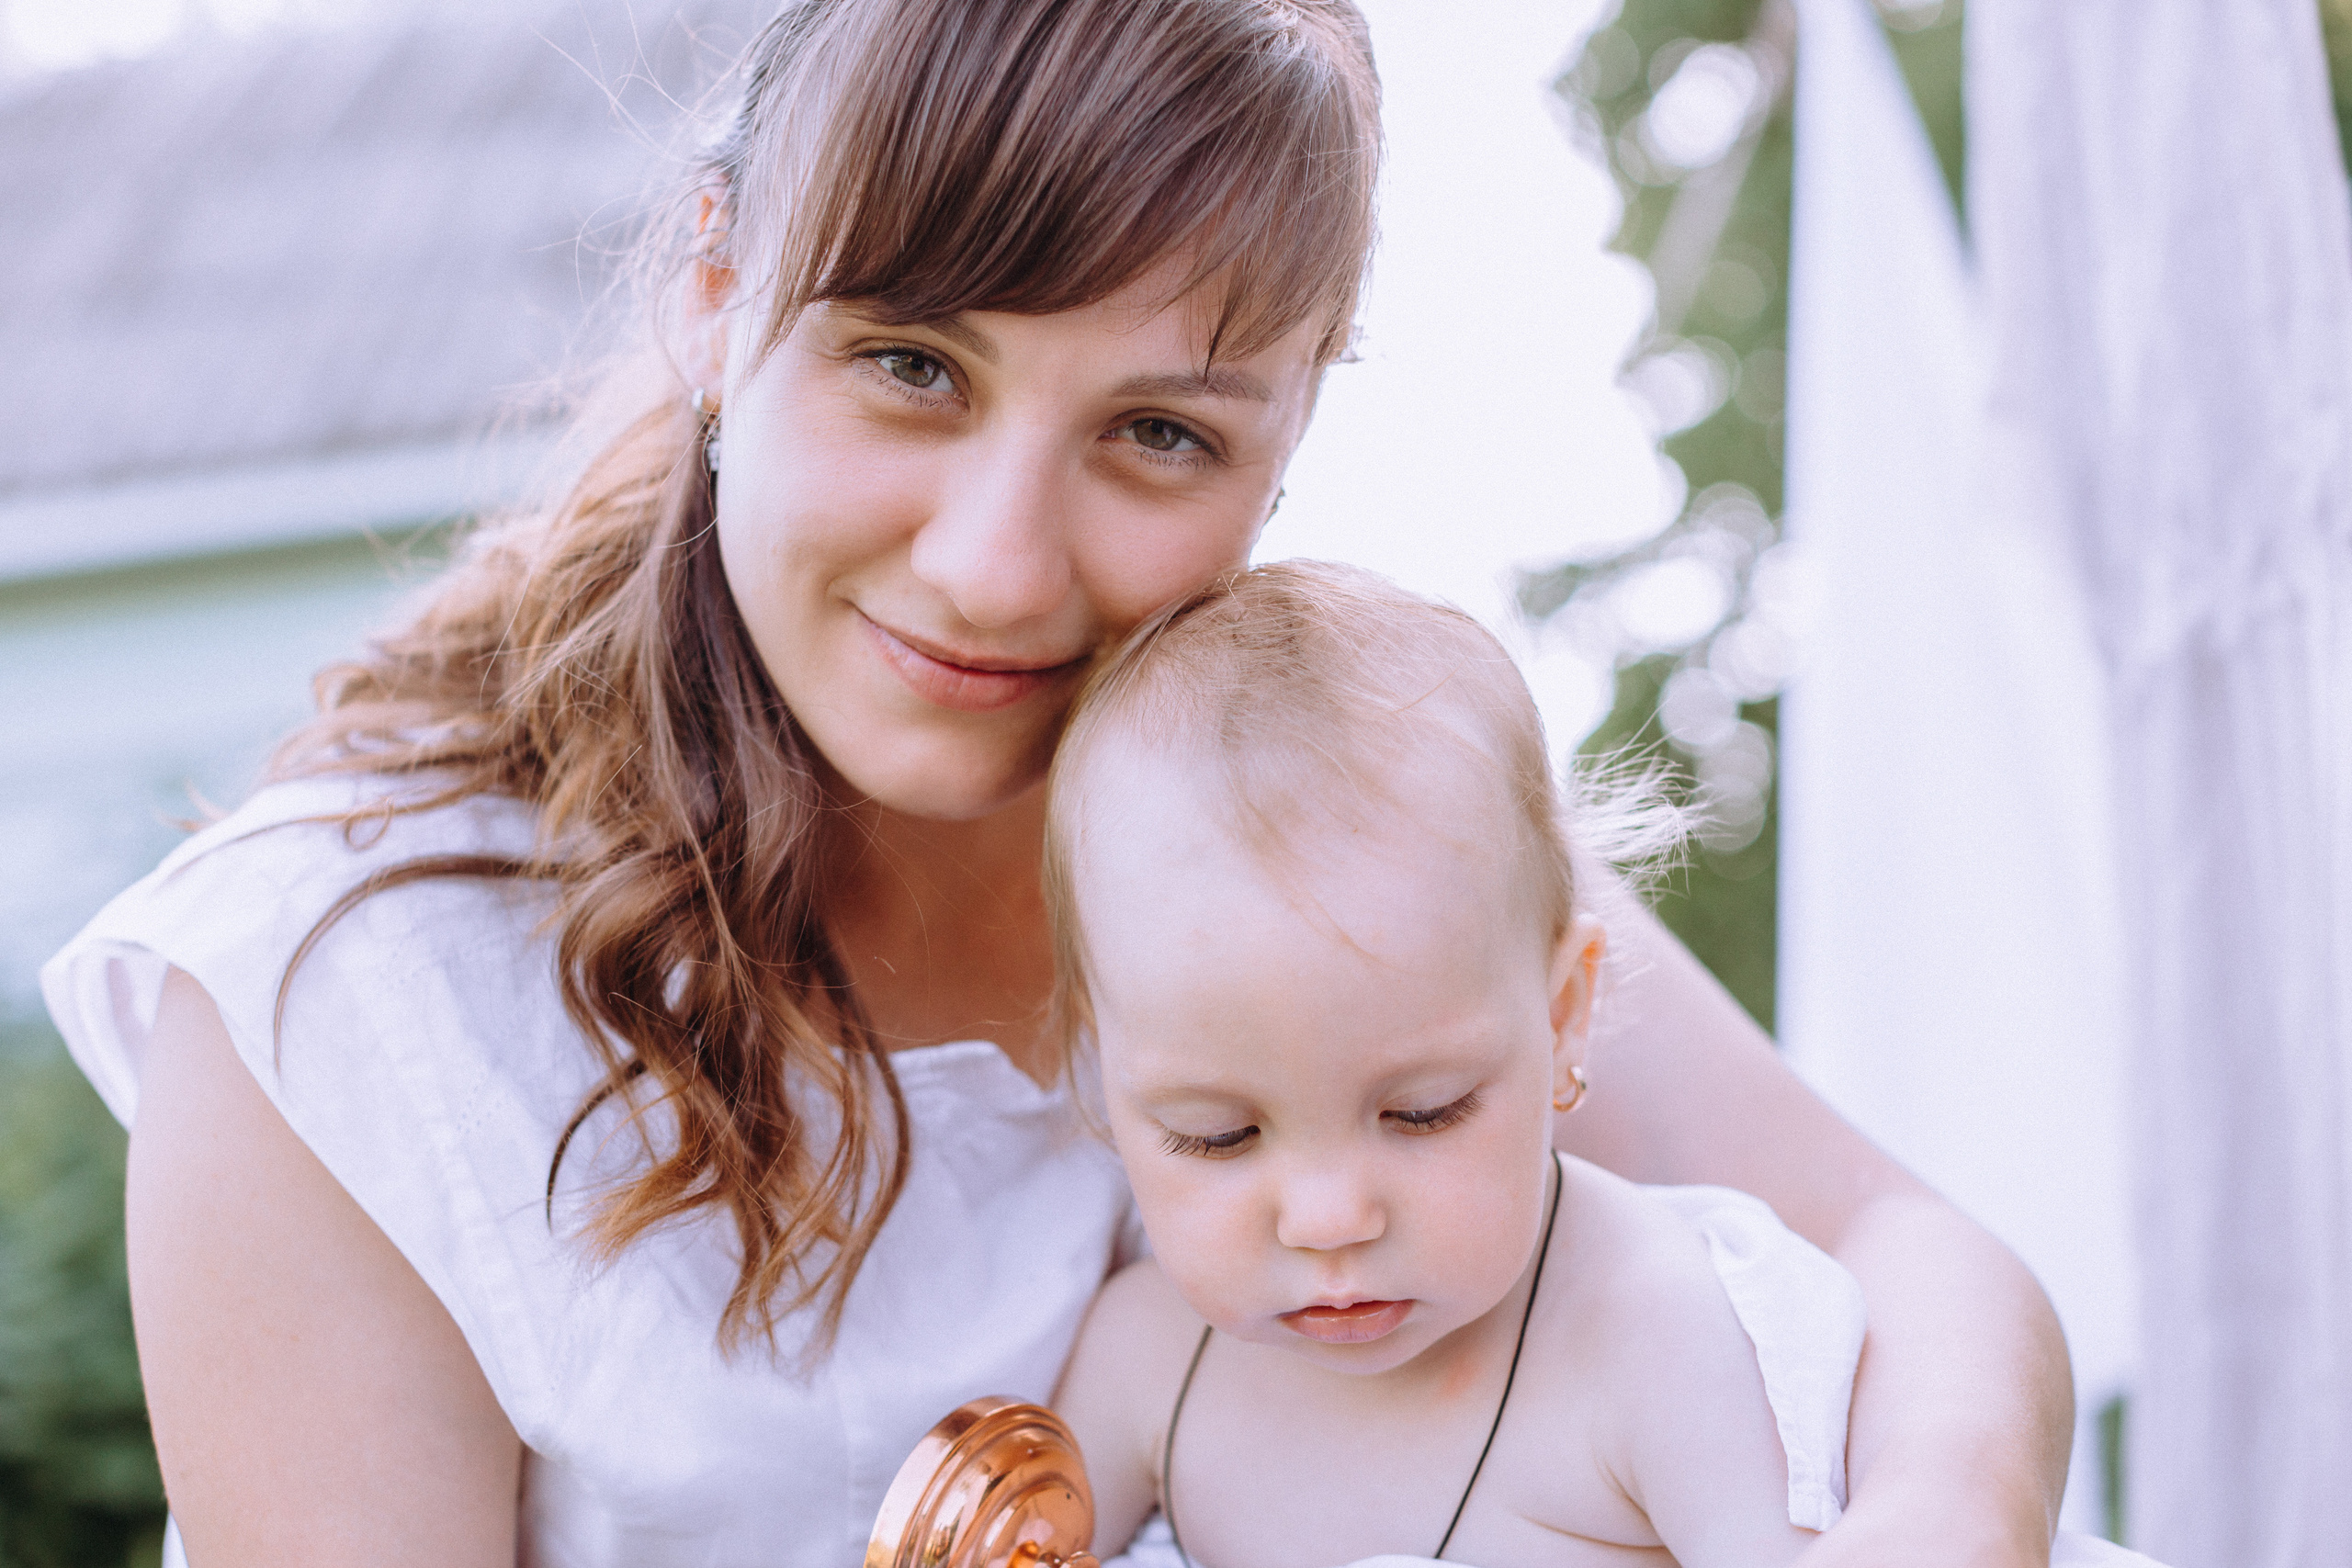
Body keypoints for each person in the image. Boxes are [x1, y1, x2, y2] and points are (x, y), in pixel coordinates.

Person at [40, 1, 2073, 1564]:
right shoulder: (350, 999)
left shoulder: (1321, 834)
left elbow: (1913, 1257)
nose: (999, 566)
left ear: (1289, 429)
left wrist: (1925, 1520)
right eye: (911, 366)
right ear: (716, 284)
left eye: (1160, 433)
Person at [1049, 561, 1861, 1568]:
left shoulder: (1655, 1337)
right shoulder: (1146, 1365)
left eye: (1424, 1112)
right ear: (1104, 1067)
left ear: (1564, 1014)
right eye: (1216, 1135)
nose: (1329, 1219)